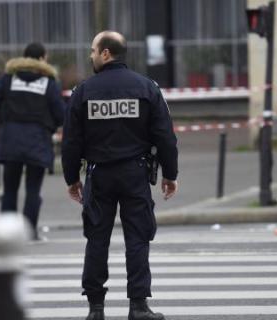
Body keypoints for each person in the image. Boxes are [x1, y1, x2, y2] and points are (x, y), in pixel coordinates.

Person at [61, 31, 178, 320]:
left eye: (92, 50)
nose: (90, 56)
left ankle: (95, 309)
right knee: (137, 238)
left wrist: (71, 178)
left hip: (99, 175)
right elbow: (164, 135)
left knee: (97, 239)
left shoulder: (83, 92)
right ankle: (138, 307)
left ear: (105, 53)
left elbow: (71, 141)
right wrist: (170, 173)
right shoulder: (147, 87)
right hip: (134, 173)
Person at [0, 43, 66, 239]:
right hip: (37, 140)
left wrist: (5, 120)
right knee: (33, 189)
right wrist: (50, 126)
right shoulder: (48, 83)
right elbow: (61, 113)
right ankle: (29, 232)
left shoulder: (8, 79)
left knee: (10, 188)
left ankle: (6, 233)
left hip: (10, 139)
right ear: (41, 59)